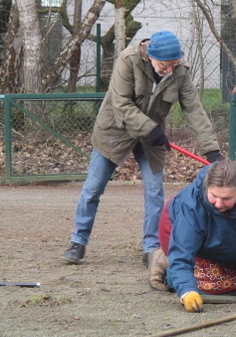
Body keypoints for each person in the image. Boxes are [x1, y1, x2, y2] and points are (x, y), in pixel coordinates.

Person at [62, 31, 222, 266]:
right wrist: (150, 128)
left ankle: (151, 248)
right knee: (92, 189)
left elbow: (194, 109)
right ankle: (78, 242)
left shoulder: (180, 71)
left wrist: (211, 149)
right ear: (150, 57)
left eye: (173, 65)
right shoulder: (128, 61)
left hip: (151, 138)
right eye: (164, 65)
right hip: (114, 131)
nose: (168, 70)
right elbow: (121, 103)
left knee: (155, 192)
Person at [149, 159, 236, 312]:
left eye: (227, 198)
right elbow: (183, 249)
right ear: (207, 187)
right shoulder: (191, 204)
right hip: (176, 232)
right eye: (214, 196)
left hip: (223, 236)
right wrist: (187, 290)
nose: (219, 203)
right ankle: (163, 261)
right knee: (205, 288)